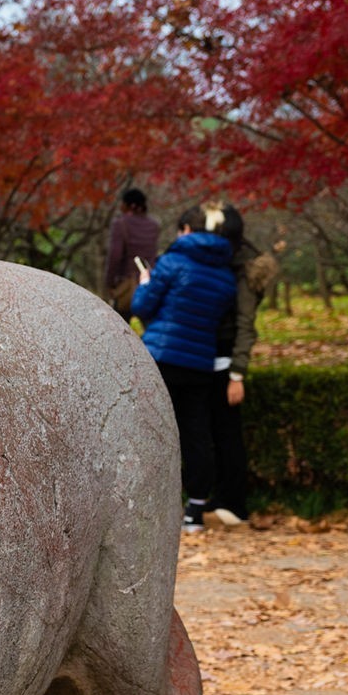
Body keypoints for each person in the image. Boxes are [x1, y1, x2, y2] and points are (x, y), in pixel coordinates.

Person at [131, 207, 237, 532]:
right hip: (199, 362)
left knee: (150, 430)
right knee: (196, 433)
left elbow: (142, 307)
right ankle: (195, 511)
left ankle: (149, 507)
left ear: (187, 230)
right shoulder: (226, 275)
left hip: (161, 357)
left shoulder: (171, 262)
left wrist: (145, 282)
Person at [205, 204, 279, 528]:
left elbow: (246, 326)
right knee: (213, 431)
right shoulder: (223, 262)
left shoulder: (245, 269)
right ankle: (219, 499)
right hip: (209, 355)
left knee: (227, 433)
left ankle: (234, 504)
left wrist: (237, 373)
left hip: (225, 359)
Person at [103, 187, 160, 317]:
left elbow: (115, 256)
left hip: (127, 286)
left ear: (130, 205)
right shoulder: (154, 225)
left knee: (122, 327)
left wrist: (110, 283)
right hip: (150, 282)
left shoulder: (121, 224)